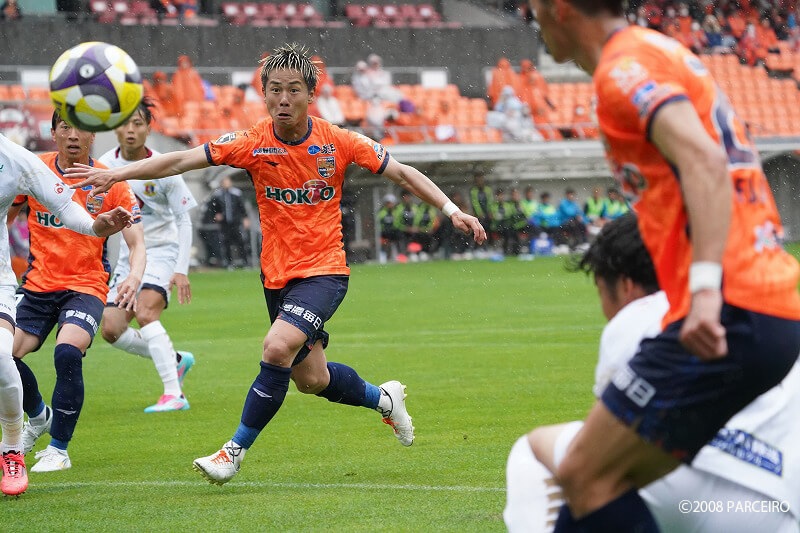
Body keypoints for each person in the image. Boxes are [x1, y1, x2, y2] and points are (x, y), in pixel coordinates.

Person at [66, 43, 486, 486]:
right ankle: (384, 400)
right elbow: (182, 160)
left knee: (275, 348)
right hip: (277, 277)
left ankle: (232, 452)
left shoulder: (338, 140)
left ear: (311, 94)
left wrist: (451, 208)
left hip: (324, 271)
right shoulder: (251, 142)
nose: (283, 99)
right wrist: (118, 173)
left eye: (293, 90)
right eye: (275, 90)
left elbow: (401, 172)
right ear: (264, 94)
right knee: (312, 379)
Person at [530, 1, 800, 531]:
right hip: (766, 301)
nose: (530, 16)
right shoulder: (657, 50)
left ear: (560, 8)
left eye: (535, 6)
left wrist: (706, 290)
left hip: (735, 304)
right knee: (598, 482)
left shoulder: (623, 69)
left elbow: (704, 159)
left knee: (585, 475)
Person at [506, 214, 800, 532]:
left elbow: (605, 443)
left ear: (626, 285)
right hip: (781, 509)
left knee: (536, 449)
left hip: (689, 500)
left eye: (601, 291)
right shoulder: (759, 314)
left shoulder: (640, 314)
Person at [9, 111, 144, 474]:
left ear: (93, 135)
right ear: (53, 132)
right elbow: (7, 215)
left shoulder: (110, 181)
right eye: (64, 127)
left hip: (86, 286)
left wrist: (134, 275)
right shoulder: (33, 170)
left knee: (67, 352)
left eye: (80, 128)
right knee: (5, 357)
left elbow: (136, 240)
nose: (72, 135)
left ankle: (59, 449)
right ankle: (39, 415)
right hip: (37, 285)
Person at [98, 99, 198, 413]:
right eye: (125, 123)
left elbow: (183, 219)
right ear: (116, 128)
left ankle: (174, 394)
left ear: (148, 129)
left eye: (138, 123)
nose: (131, 130)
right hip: (129, 256)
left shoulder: (164, 166)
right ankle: (175, 360)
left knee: (145, 312)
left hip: (163, 251)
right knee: (111, 328)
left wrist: (181, 268)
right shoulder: (104, 165)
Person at [209, 176, 247, 268]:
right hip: (224, 223)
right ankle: (229, 263)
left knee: (240, 241)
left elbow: (242, 207)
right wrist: (216, 214)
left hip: (236, 222)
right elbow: (213, 208)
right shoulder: (217, 195)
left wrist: (245, 218)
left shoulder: (236, 193)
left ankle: (245, 261)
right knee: (226, 242)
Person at [376, 193, 398, 263]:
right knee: (384, 245)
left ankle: (395, 257)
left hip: (393, 231)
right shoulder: (382, 212)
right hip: (384, 232)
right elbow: (379, 221)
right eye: (388, 203)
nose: (390, 205)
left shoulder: (395, 211)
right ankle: (383, 257)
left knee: (394, 244)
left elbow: (397, 222)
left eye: (391, 203)